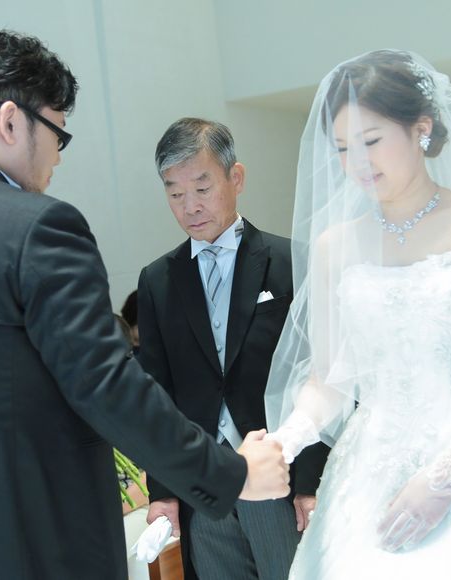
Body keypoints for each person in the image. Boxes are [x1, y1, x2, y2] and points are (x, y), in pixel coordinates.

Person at [0, 30, 291, 580]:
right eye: (58, 133)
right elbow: (109, 387)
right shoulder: (37, 227)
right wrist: (232, 474)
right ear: (10, 122)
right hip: (36, 539)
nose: (57, 157)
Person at [265, 49, 451, 579]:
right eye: (342, 149)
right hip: (368, 474)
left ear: (420, 129)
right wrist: (287, 438)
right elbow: (329, 379)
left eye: (371, 141)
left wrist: (450, 475)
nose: (357, 162)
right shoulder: (334, 247)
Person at [138, 118, 329, 580]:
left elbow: (321, 372)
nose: (190, 206)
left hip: (281, 477)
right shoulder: (157, 280)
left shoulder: (294, 262)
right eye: (175, 194)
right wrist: (163, 492)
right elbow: (156, 392)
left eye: (202, 188)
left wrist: (311, 480)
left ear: (236, 178)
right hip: (204, 486)